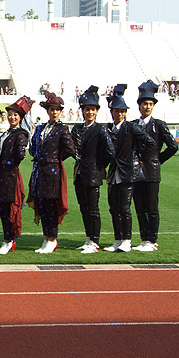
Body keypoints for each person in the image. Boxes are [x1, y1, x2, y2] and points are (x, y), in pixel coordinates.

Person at [104, 84, 155, 252]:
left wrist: (140, 158)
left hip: (128, 173)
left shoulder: (131, 128)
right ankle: (118, 239)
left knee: (124, 208)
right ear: (112, 112)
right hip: (114, 173)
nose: (120, 114)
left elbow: (150, 143)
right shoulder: (108, 129)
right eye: (117, 111)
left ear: (125, 113)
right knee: (113, 208)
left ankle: (127, 239)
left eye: (122, 111)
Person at [131, 80, 179, 252]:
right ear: (139, 105)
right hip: (137, 171)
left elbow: (173, 146)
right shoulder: (134, 124)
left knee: (151, 207)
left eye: (150, 104)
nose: (148, 107)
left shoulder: (158, 125)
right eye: (145, 104)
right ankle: (144, 238)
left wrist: (158, 160)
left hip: (151, 171)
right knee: (139, 206)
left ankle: (152, 239)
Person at [27, 92, 75, 254]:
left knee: (52, 206)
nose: (54, 112)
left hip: (53, 172)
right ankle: (46, 236)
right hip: (40, 171)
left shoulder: (62, 129)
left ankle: (52, 238)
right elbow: (33, 148)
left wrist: (56, 158)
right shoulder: (40, 128)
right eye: (51, 109)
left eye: (57, 109)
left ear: (60, 112)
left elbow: (70, 149)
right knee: (42, 205)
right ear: (47, 110)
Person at [71, 86, 115, 254]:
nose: (89, 112)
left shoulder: (100, 129)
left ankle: (95, 241)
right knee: (83, 208)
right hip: (79, 173)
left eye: (92, 109)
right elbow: (73, 149)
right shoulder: (77, 129)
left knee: (93, 209)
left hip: (93, 173)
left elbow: (110, 152)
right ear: (82, 111)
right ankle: (88, 238)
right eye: (87, 109)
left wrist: (99, 165)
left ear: (96, 112)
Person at [0, 96, 33, 254]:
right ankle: (6, 239)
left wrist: (8, 162)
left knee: (9, 207)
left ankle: (9, 240)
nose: (12, 117)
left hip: (10, 175)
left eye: (15, 115)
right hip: (1, 174)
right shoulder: (6, 133)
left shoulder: (20, 134)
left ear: (20, 117)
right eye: (10, 114)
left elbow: (20, 155)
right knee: (2, 207)